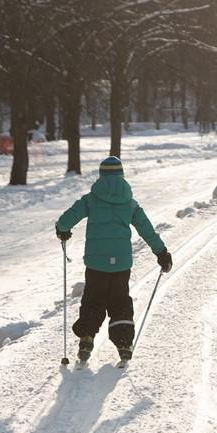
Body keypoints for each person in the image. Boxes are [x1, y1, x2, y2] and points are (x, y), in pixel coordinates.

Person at [55, 156, 172, 366]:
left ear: (101, 175)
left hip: (95, 263)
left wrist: (62, 230)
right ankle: (124, 343)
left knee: (93, 299)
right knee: (119, 301)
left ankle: (86, 338)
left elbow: (66, 219)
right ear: (121, 175)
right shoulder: (130, 203)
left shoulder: (90, 199)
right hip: (121, 264)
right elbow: (146, 229)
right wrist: (161, 252)